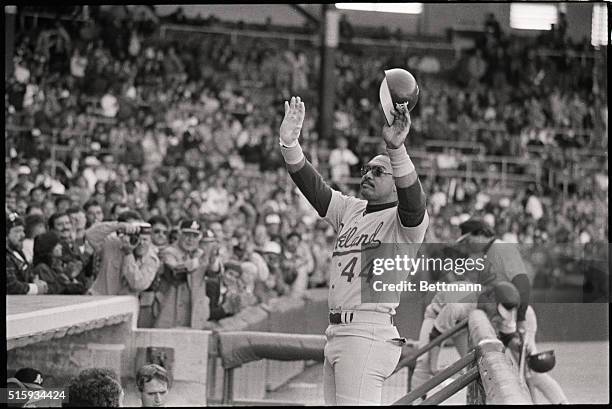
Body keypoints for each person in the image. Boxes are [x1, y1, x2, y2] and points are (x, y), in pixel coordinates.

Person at [279, 96, 428, 405]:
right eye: (366, 169)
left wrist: (396, 150)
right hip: (338, 331)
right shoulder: (351, 209)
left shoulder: (403, 222)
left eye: (378, 172)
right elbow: (315, 190)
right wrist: (290, 144)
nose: (368, 175)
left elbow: (415, 202)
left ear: (396, 180)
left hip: (367, 331)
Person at [155, 220, 216, 328]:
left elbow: (214, 273)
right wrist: (198, 260)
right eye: (187, 235)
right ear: (179, 235)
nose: (190, 240)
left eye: (194, 236)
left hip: (194, 313)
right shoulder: (169, 252)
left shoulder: (201, 253)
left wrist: (213, 258)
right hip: (170, 311)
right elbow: (176, 273)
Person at [85, 210, 159, 296]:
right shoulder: (114, 243)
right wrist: (117, 225)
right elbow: (90, 235)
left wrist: (128, 254)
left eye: (145, 240)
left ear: (150, 240)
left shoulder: (151, 258)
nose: (141, 243)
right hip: (100, 299)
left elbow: (138, 284)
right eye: (137, 238)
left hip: (124, 305)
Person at [7, 213, 48, 295]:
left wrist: (34, 280)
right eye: (17, 231)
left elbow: (27, 273)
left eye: (23, 231)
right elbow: (10, 285)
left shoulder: (17, 252)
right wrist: (35, 288)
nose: (23, 235)